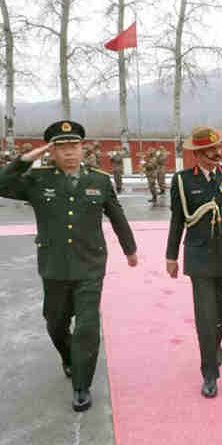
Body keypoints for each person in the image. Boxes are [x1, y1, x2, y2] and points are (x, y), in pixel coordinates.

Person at [0, 120, 138, 412]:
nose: (70, 153)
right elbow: (2, 184)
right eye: (61, 148)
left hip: (90, 264)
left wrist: (130, 249)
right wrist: (27, 158)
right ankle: (68, 356)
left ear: (83, 147)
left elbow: (116, 214)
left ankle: (81, 385)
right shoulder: (38, 180)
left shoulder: (99, 180)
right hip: (55, 266)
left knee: (87, 326)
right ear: (51, 152)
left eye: (74, 146)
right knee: (55, 322)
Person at [165, 126, 222, 398]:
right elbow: (177, 220)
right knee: (206, 316)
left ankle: (214, 343)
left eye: (219, 149)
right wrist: (171, 256)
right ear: (198, 154)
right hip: (199, 256)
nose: (218, 154)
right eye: (211, 151)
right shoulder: (182, 181)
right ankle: (209, 373)